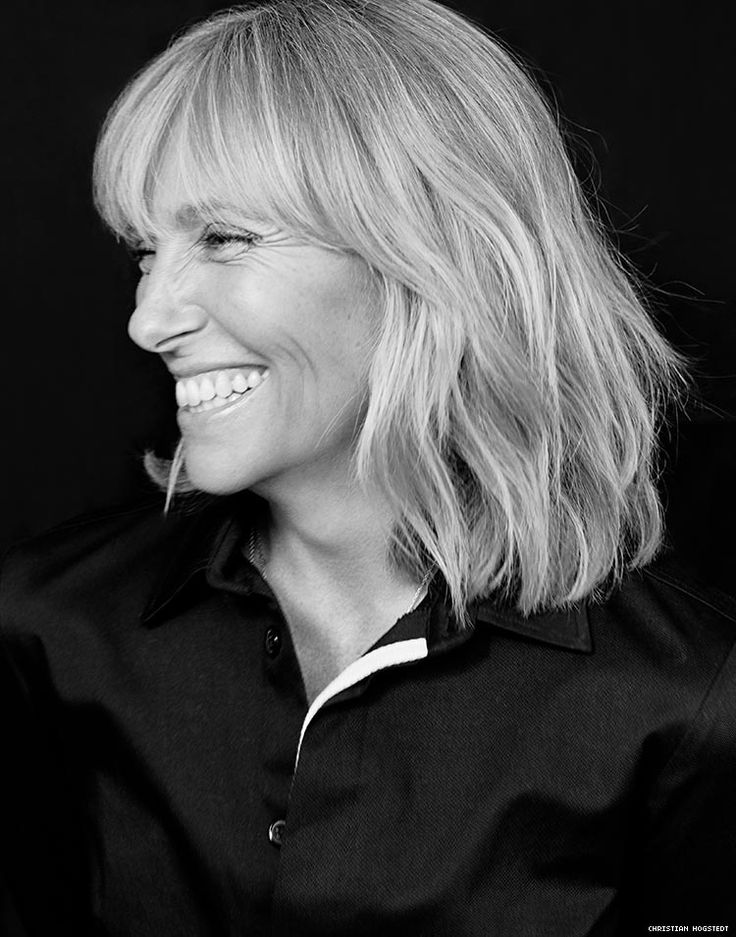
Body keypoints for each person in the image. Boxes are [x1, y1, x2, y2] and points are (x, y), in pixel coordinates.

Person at [1, 1, 735, 934]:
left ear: (433, 257)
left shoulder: (690, 703)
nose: (149, 320)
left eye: (224, 238)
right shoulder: (43, 629)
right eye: (149, 252)